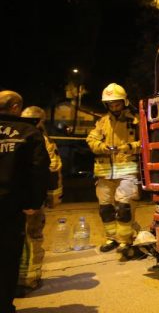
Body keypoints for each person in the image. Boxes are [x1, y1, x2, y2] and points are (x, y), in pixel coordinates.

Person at [0, 91, 50, 313]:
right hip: (10, 206)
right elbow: (38, 170)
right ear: (15, 107)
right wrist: (33, 202)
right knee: (7, 257)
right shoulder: (28, 132)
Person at [86, 83, 141, 253]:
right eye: (111, 105)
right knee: (105, 208)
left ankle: (125, 240)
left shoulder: (135, 120)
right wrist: (103, 147)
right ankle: (111, 238)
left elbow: (145, 142)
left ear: (124, 102)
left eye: (117, 104)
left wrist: (129, 147)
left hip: (127, 170)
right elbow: (91, 140)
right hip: (104, 172)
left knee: (124, 207)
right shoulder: (102, 122)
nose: (114, 108)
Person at [16, 106, 63, 297]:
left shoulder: (12, 135)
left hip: (11, 197)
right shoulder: (42, 140)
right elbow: (53, 169)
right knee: (32, 237)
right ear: (41, 121)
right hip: (31, 199)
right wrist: (52, 198)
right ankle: (28, 280)